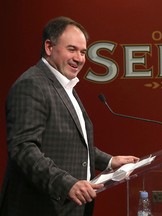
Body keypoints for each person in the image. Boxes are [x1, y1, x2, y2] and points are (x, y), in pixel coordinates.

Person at [0, 16, 139, 216]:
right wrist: (67, 184)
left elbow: (70, 143)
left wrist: (109, 162)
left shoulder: (64, 85)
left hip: (69, 208)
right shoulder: (31, 85)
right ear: (49, 47)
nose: (79, 58)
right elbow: (23, 148)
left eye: (83, 52)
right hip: (40, 207)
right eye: (72, 49)